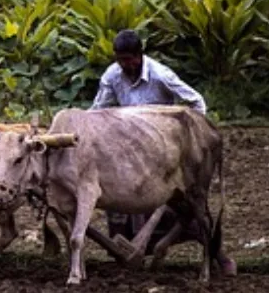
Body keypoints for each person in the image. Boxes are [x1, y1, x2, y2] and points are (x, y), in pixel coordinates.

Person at [89, 29, 236, 276]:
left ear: (140, 56)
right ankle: (139, 249)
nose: (125, 65)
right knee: (119, 198)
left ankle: (217, 255)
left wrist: (192, 138)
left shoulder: (160, 75)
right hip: (130, 148)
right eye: (120, 60)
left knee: (188, 205)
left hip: (163, 148)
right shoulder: (112, 76)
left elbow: (196, 102)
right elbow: (96, 111)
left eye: (129, 59)